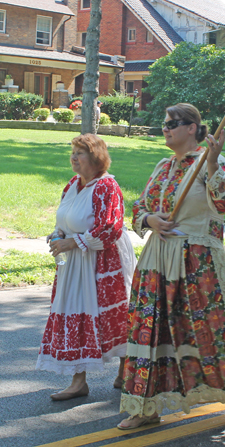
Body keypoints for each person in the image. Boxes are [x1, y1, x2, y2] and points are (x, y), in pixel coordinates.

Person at [118, 104, 225, 429]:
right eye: (164, 123)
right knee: (151, 329)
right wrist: (149, 219)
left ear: (192, 128)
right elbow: (140, 205)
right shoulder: (163, 166)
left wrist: (215, 162)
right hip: (157, 259)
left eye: (172, 123)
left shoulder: (208, 162)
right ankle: (146, 407)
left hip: (197, 262)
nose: (166, 128)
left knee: (210, 328)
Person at [37, 134, 136, 400]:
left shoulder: (106, 186)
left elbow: (111, 228)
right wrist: (59, 234)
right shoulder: (72, 184)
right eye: (72, 152)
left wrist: (74, 242)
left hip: (102, 261)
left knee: (110, 315)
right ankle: (78, 381)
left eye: (79, 153)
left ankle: (124, 371)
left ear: (95, 158)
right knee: (74, 312)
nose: (73, 158)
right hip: (74, 261)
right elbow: (66, 216)